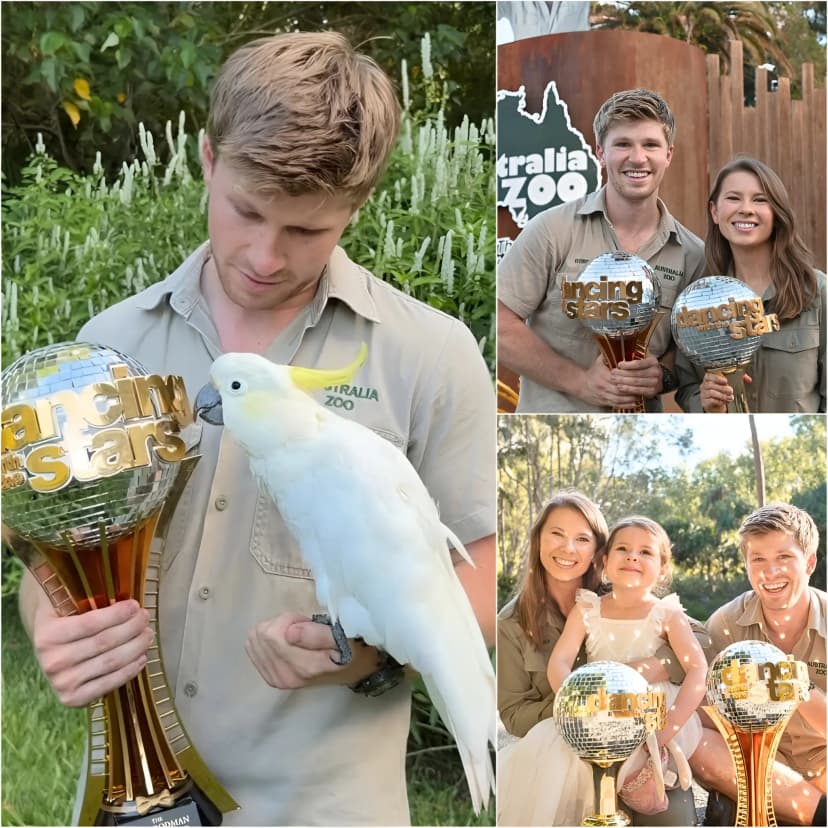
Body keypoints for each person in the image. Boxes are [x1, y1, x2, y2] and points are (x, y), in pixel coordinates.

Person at [17, 32, 496, 826]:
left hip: (321, 806)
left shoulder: (432, 357)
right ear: (207, 159)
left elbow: (472, 582)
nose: (267, 256)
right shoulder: (109, 347)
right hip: (129, 797)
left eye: (307, 231)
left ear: (357, 207)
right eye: (246, 211)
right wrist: (55, 626)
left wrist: (359, 658)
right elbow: (60, 550)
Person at [497, 499, 713, 825]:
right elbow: (523, 704)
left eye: (582, 538)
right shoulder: (574, 611)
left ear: (596, 552)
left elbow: (700, 650)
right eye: (557, 534)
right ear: (607, 558)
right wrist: (585, 706)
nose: (568, 547)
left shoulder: (655, 606)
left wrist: (648, 678)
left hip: (649, 725)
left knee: (668, 815)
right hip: (581, 728)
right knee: (558, 795)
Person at [497, 88, 705, 413]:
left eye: (650, 145)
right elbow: (500, 325)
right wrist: (580, 382)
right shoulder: (552, 230)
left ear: (668, 154)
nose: (637, 158)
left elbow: (691, 348)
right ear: (600, 153)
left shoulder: (693, 254)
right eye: (623, 144)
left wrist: (663, 375)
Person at [699, 503, 826, 826]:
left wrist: (796, 684)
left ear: (809, 563)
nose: (770, 572)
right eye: (758, 560)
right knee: (696, 741)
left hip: (823, 758)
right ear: (746, 565)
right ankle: (819, 812)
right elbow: (704, 713)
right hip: (760, 760)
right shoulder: (725, 624)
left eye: (784, 557)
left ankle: (787, 806)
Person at [675, 155, 826, 413]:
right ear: (714, 211)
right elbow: (687, 387)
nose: (746, 209)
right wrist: (706, 404)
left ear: (777, 213)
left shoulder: (817, 291)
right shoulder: (697, 301)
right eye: (734, 198)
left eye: (760, 200)